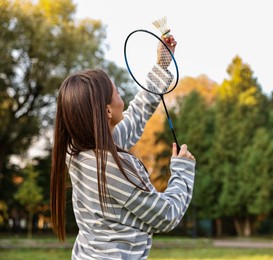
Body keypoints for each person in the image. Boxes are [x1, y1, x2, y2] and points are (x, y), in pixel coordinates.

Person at [50, 35, 196, 259]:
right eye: (116, 92)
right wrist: (183, 170)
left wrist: (162, 66)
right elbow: (166, 215)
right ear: (107, 111)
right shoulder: (113, 167)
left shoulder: (77, 151)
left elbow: (137, 114)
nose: (121, 97)